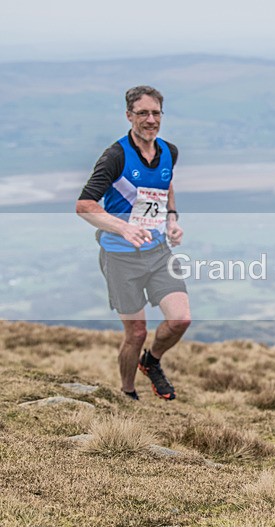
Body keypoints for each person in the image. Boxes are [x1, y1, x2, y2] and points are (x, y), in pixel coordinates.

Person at [76, 85, 191, 401]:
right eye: (142, 113)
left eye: (155, 113)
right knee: (136, 333)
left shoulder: (169, 151)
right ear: (129, 116)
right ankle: (128, 392)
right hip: (120, 256)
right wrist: (122, 228)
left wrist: (171, 220)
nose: (150, 119)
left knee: (180, 319)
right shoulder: (115, 156)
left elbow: (165, 186)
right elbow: (85, 205)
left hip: (157, 251)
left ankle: (151, 362)